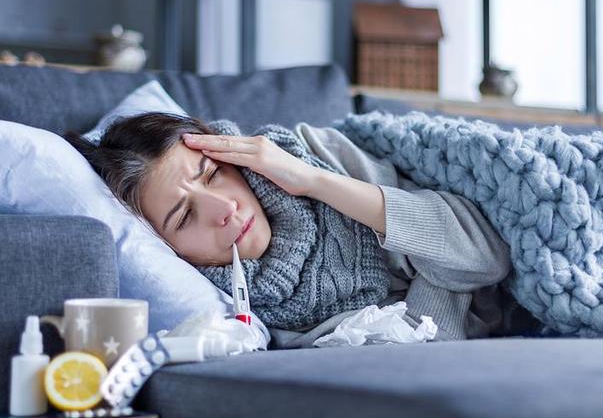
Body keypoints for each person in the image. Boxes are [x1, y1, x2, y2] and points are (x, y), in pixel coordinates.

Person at [65, 112, 540, 348]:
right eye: (184, 217)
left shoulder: (313, 154)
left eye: (212, 174)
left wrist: (313, 180)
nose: (223, 208)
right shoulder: (247, 323)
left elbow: (487, 255)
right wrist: (440, 275)